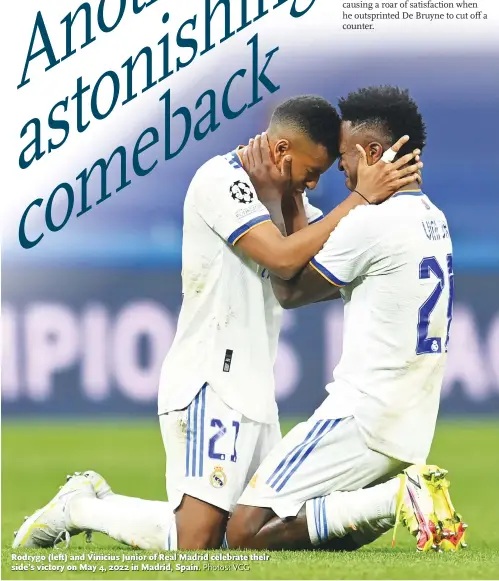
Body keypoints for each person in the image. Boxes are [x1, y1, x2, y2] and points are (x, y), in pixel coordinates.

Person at [13, 95, 422, 551]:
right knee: (197, 540)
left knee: (257, 535)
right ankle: (79, 506)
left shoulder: (290, 199)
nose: (315, 181)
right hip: (210, 380)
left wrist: (304, 201)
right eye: (312, 170)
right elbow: (284, 260)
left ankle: (388, 506)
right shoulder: (220, 180)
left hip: (256, 392)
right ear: (283, 151)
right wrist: (361, 198)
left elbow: (315, 270)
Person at [226, 86, 467, 553]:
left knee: (243, 532)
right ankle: (394, 498)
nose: (340, 167)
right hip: (411, 426)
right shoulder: (432, 218)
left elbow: (289, 289)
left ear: (374, 153)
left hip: (360, 416)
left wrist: (285, 195)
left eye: (345, 155)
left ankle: (396, 499)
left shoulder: (371, 221)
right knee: (306, 527)